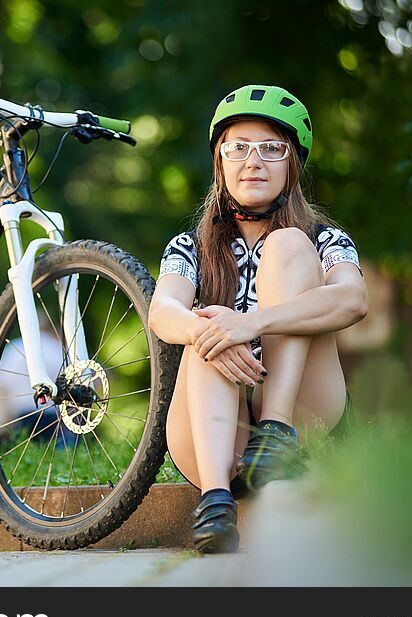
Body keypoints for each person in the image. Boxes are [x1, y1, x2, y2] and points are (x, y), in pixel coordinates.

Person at [147, 84, 368, 554]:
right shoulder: (191, 245)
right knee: (207, 323)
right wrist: (213, 328)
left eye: (272, 148)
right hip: (209, 439)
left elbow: (352, 300)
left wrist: (254, 323)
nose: (254, 160)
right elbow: (162, 311)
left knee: (288, 246)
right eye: (238, 147)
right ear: (220, 162)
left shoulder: (322, 237)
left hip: (302, 412)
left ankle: (275, 436)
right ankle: (214, 503)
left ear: (292, 165)